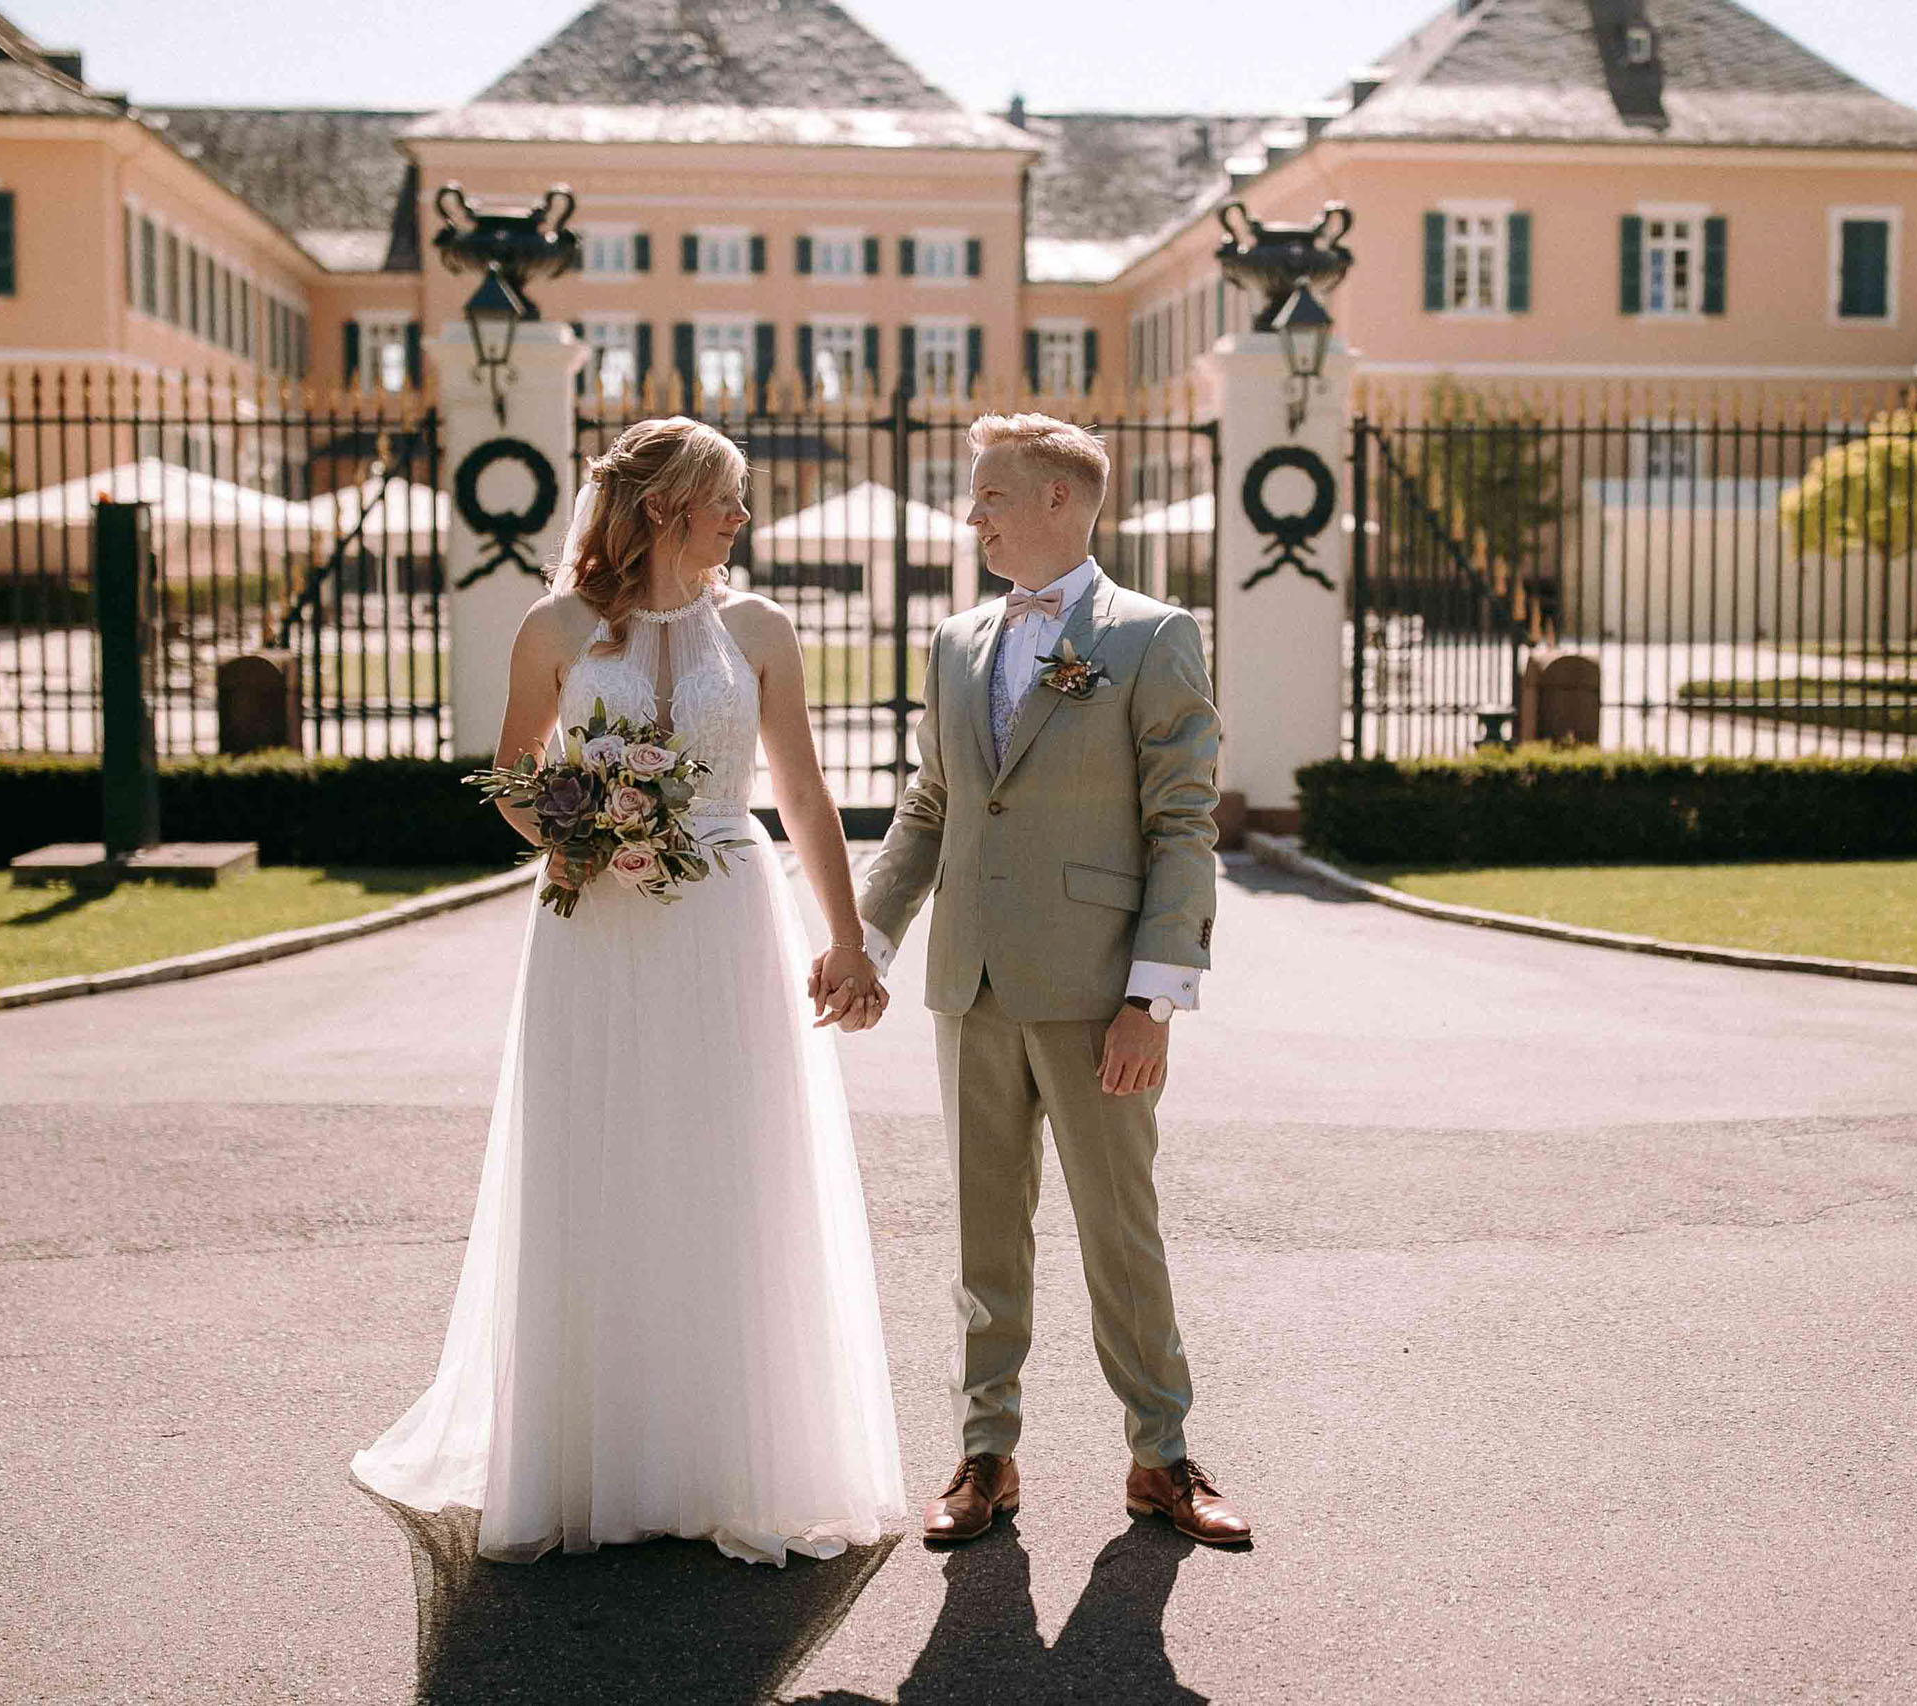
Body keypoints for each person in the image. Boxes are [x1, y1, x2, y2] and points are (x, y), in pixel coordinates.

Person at [351, 416, 904, 1565]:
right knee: (597, 1156)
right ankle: (592, 1452)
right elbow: (513, 773)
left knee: (726, 1160)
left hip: (728, 914)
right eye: (727, 497)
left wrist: (849, 939)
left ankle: (724, 1457)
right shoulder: (553, 627)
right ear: (665, 506)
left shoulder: (759, 628)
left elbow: (803, 791)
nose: (742, 518)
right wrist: (579, 832)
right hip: (592, 925)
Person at [817, 413, 1249, 1548]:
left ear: (1060, 498)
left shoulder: (1153, 636)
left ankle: (1161, 1456)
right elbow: (932, 803)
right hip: (970, 986)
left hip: (1099, 996)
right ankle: (984, 1454)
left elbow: (1183, 824)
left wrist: (1151, 999)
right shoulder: (957, 639)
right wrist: (865, 937)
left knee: (1120, 1234)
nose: (973, 517)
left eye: (991, 496)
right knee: (983, 1239)